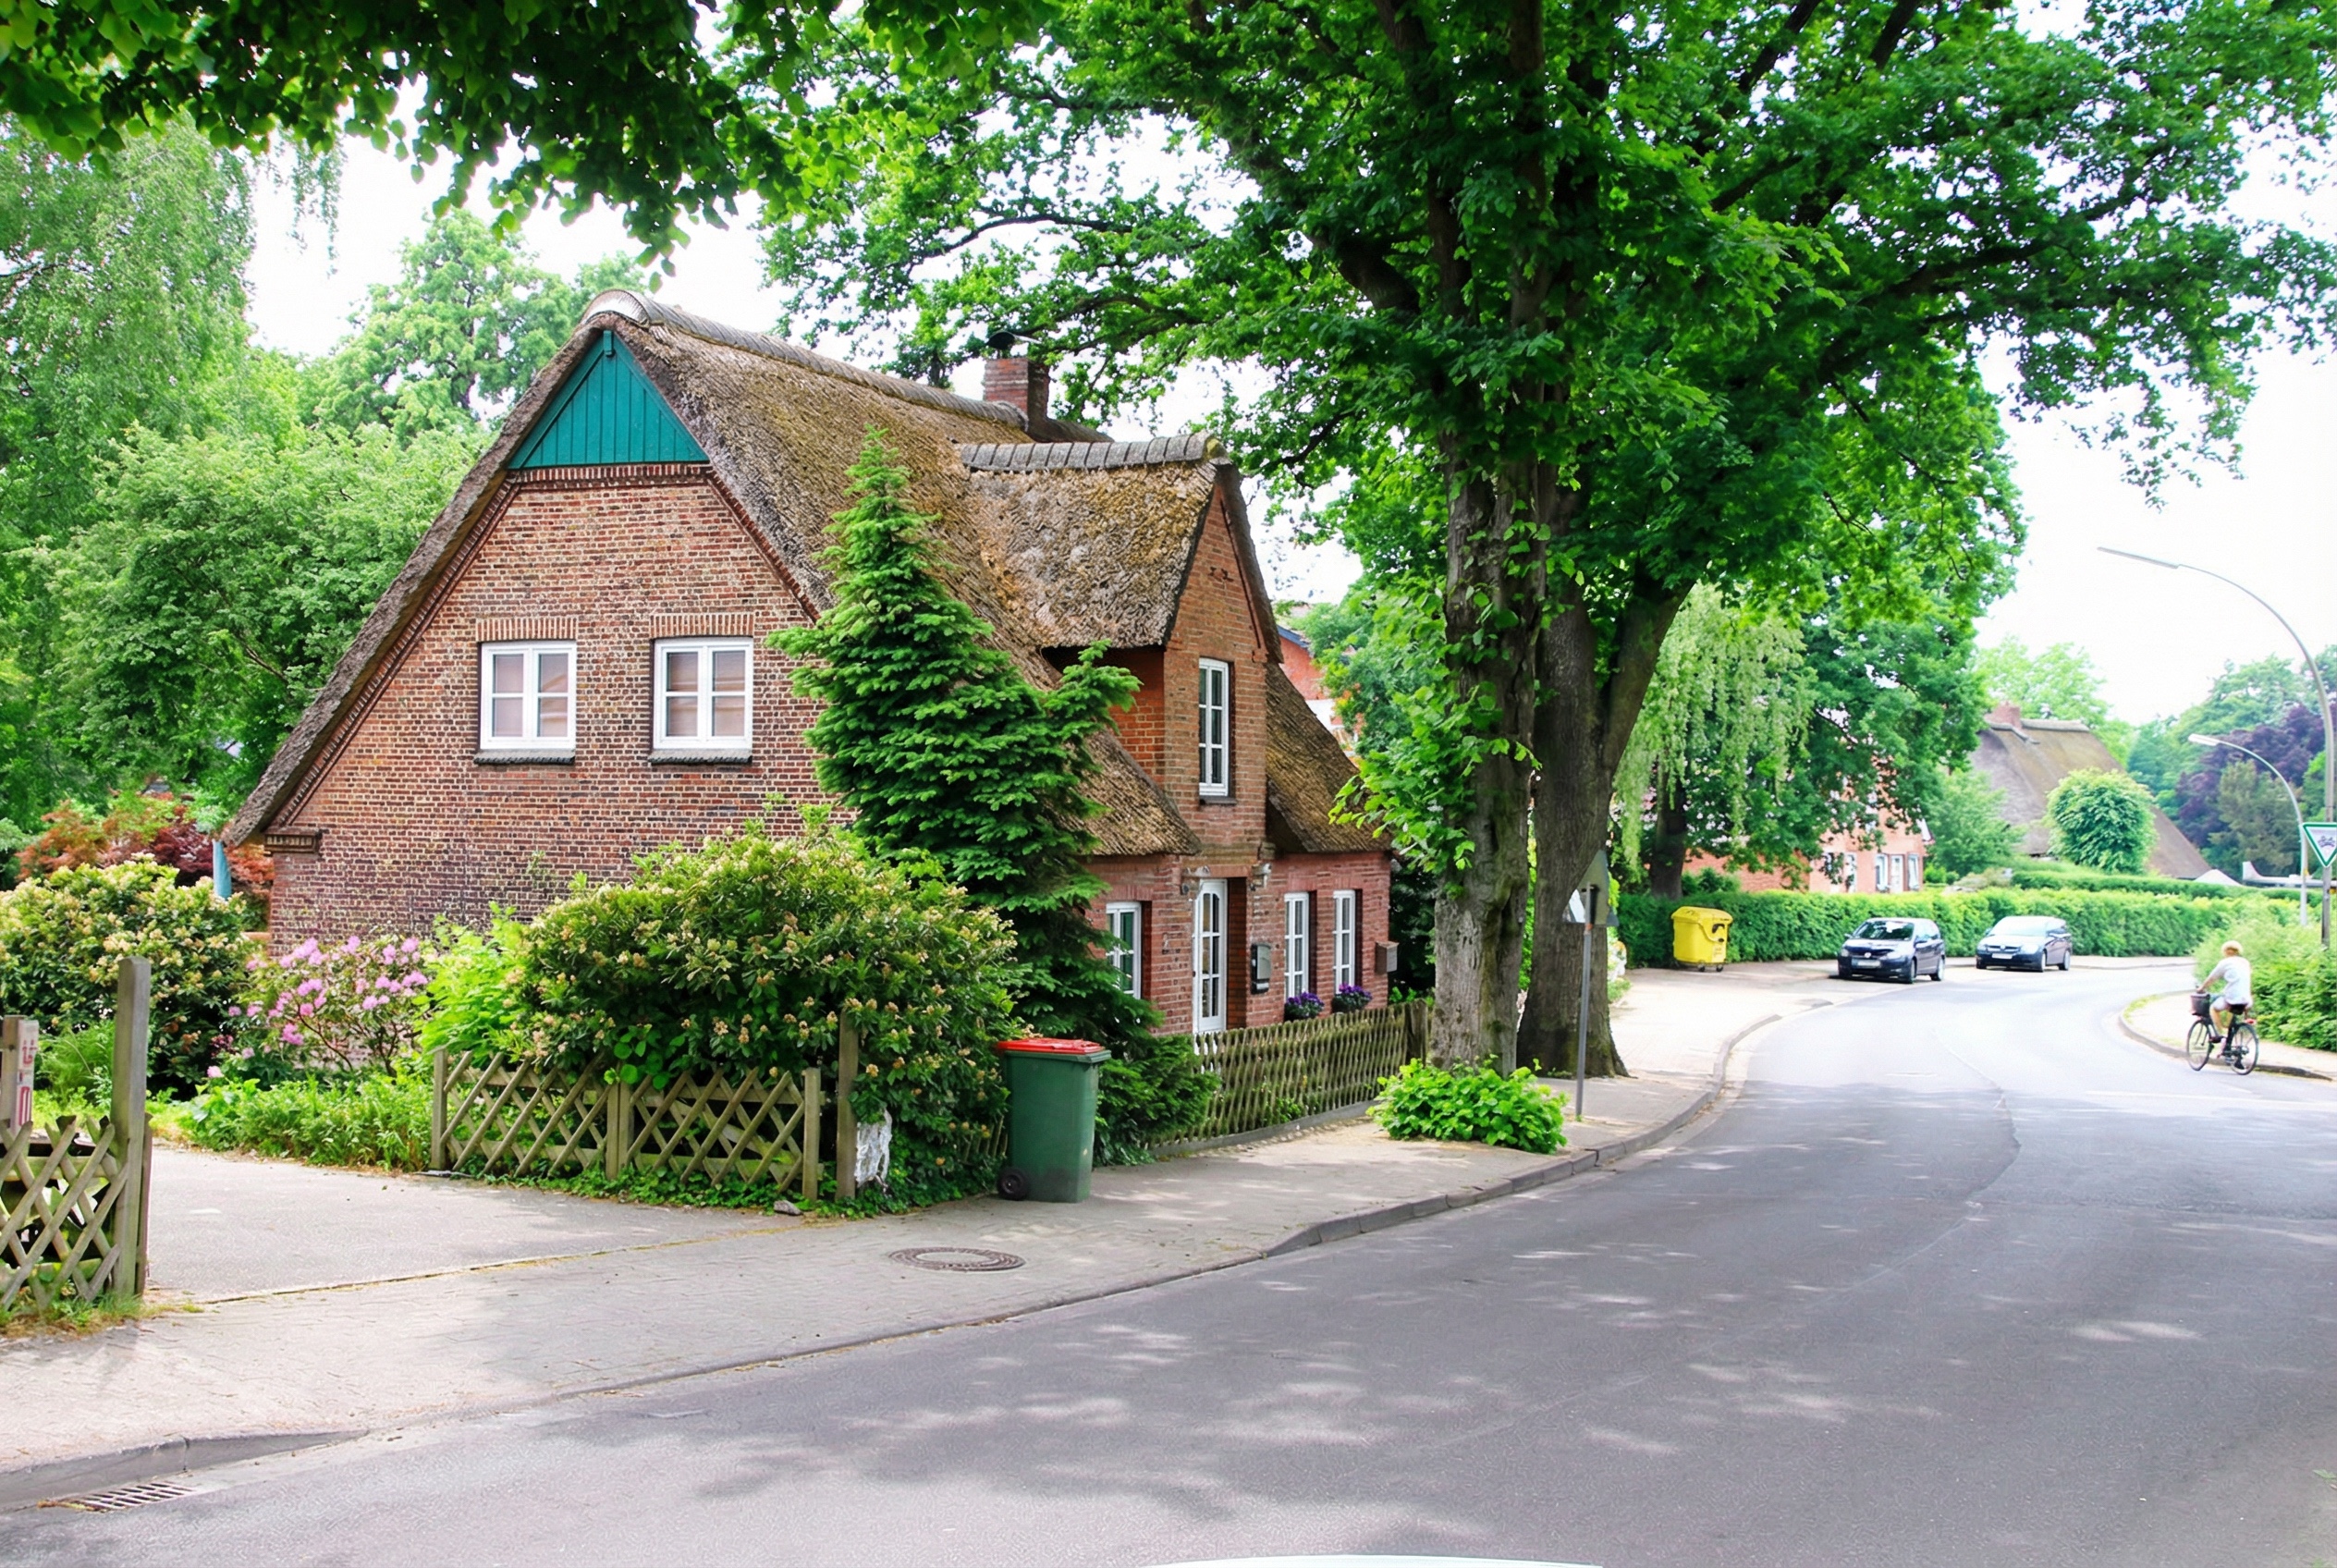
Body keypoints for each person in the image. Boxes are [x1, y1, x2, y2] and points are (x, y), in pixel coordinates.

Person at [2203, 939, 2253, 1037]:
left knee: (2214, 1008)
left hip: (2232, 998)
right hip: (2247, 1000)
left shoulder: (2225, 962)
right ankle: (2230, 1032)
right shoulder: (2245, 962)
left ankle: (2220, 1033)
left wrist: (2201, 988)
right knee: (2231, 1009)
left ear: (2225, 951)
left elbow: (2212, 978)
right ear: (2238, 951)